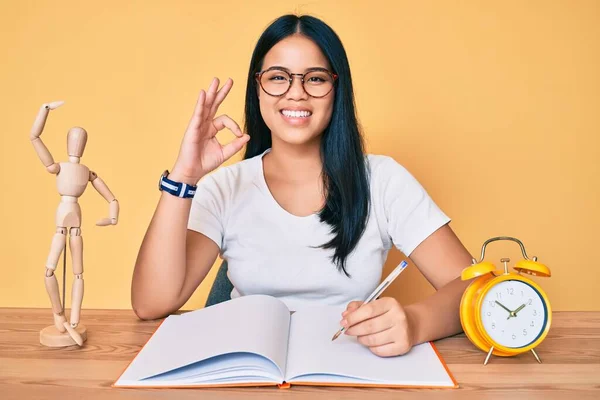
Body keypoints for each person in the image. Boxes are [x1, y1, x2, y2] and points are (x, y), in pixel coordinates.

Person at [132, 14, 474, 357]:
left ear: (336, 90)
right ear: (258, 87)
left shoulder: (383, 180)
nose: (296, 94)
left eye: (315, 78)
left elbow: (472, 283)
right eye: (278, 77)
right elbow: (150, 303)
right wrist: (183, 178)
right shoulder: (224, 187)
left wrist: (415, 323)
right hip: (247, 371)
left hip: (351, 366)